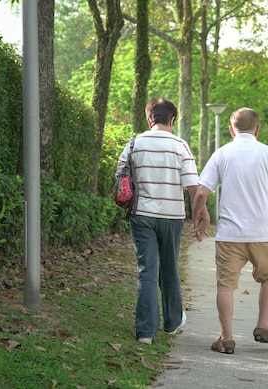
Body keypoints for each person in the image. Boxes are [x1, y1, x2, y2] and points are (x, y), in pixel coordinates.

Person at [192, 107, 268, 355]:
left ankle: (226, 339)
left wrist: (197, 218)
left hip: (229, 236)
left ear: (231, 129)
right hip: (263, 234)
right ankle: (263, 326)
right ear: (257, 129)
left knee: (225, 285)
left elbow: (202, 192)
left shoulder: (222, 154)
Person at [116, 97, 209, 345]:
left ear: (149, 119)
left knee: (146, 270)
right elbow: (193, 187)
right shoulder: (180, 145)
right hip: (171, 217)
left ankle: (145, 332)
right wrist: (201, 213)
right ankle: (172, 322)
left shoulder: (134, 143)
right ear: (173, 120)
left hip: (141, 215)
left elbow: (120, 177)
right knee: (169, 267)